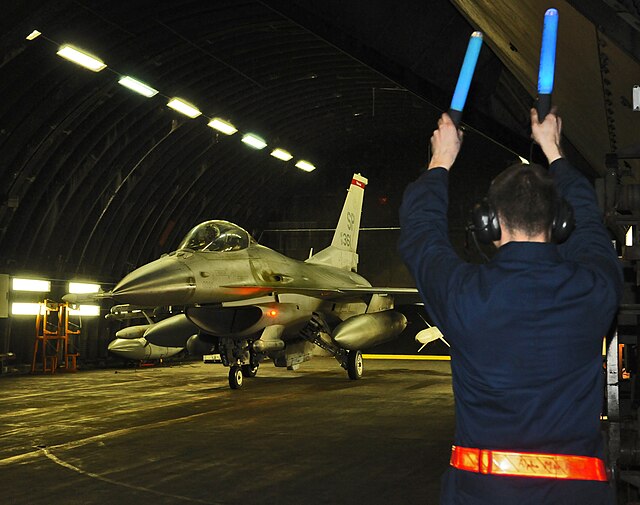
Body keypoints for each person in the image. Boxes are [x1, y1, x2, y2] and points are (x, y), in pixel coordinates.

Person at [398, 109, 623, 504]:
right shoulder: (594, 290)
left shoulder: (463, 295)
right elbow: (589, 226)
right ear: (559, 224)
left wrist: (441, 160)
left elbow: (420, 235)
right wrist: (553, 150)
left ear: (488, 223)